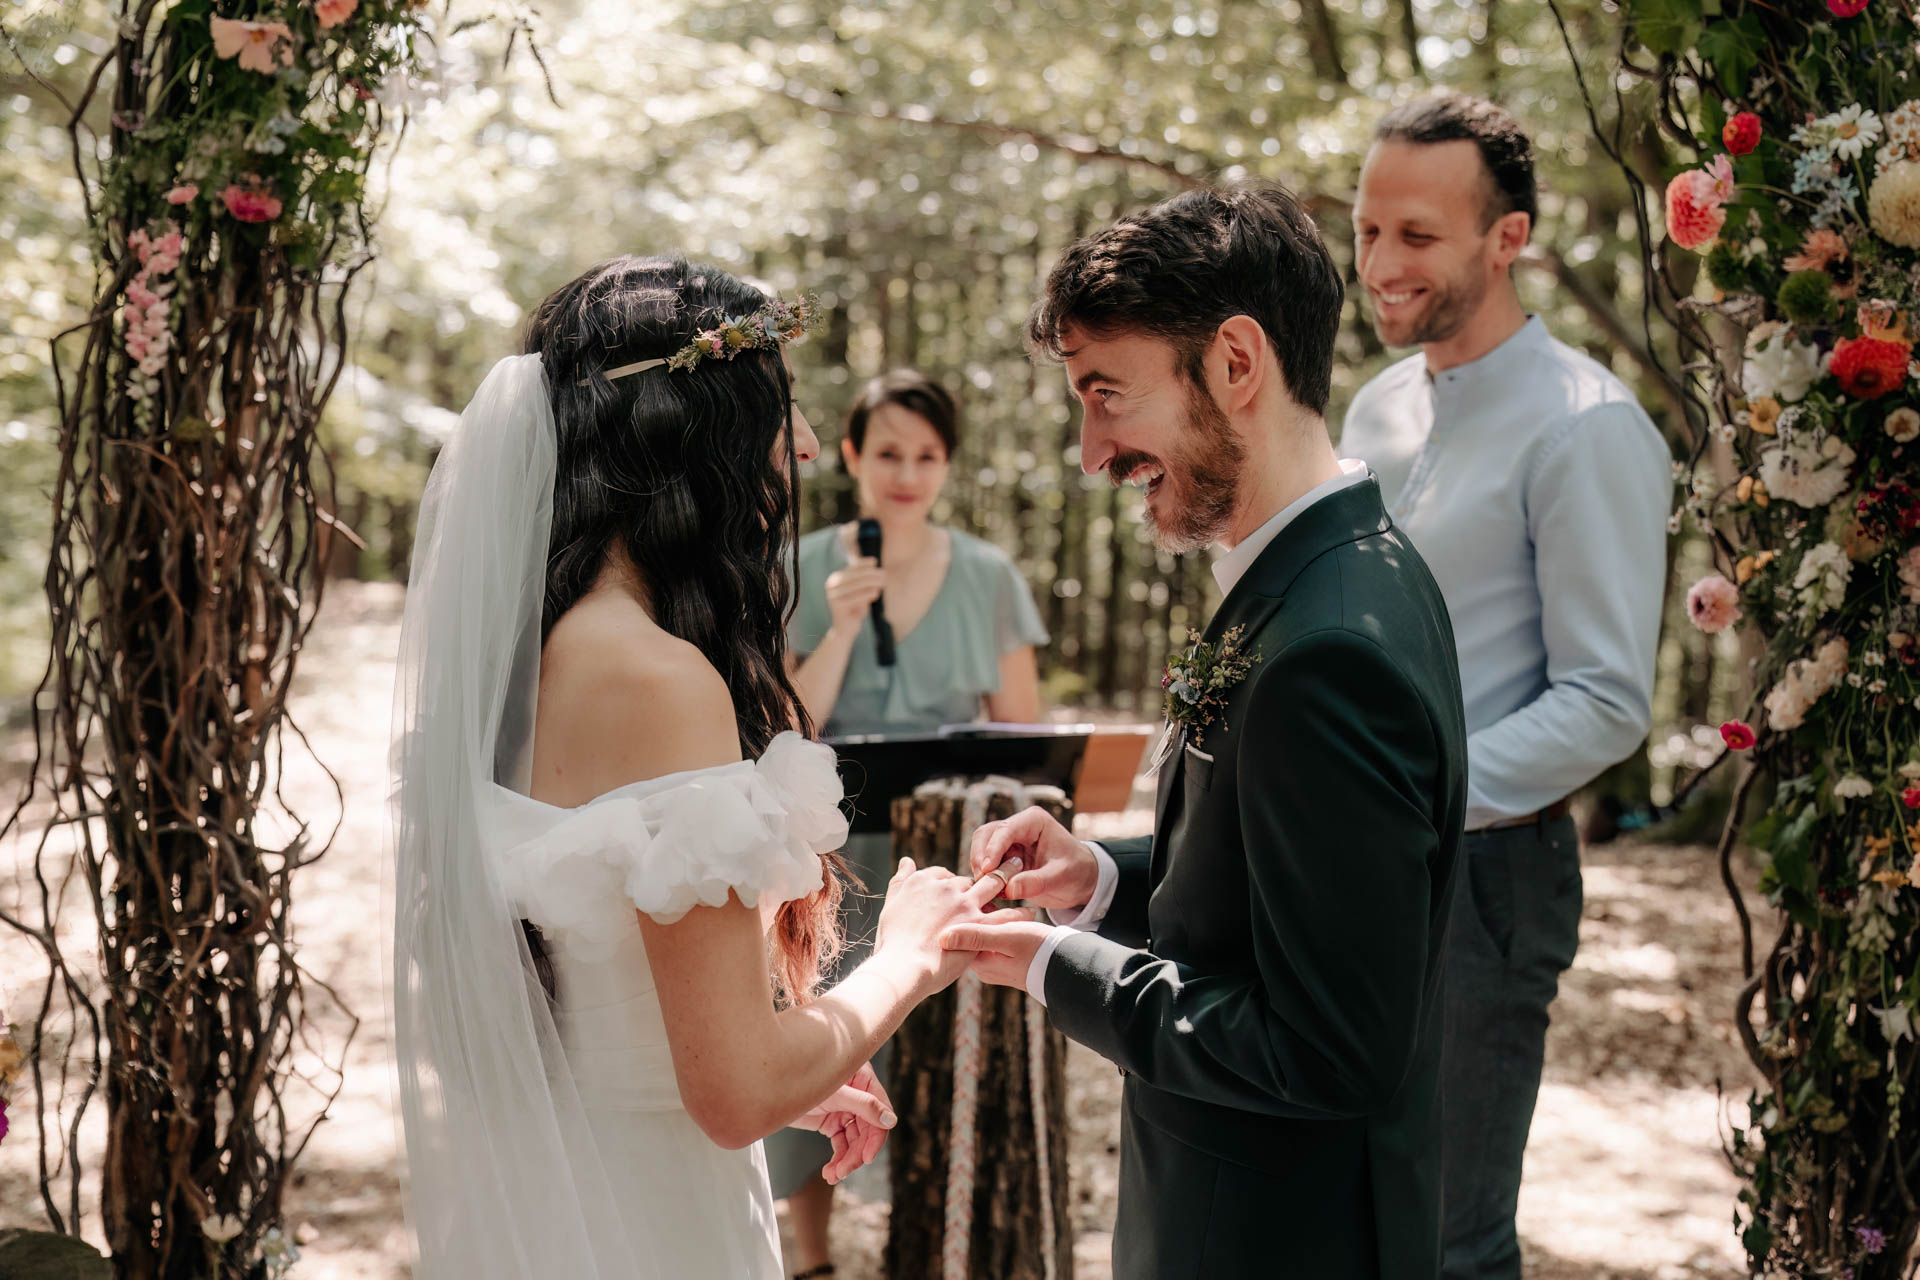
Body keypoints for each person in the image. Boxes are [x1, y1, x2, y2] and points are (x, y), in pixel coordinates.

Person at [390, 256, 1024, 1280]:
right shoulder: (657, 678)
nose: (806, 444)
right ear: (696, 430)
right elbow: (736, 1094)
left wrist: (800, 1069)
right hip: (650, 1215)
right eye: (777, 408)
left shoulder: (538, 653)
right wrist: (907, 955)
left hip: (570, 1178)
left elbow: (606, 998)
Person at [946, 185, 1469, 1277]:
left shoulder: (1332, 648)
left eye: (1106, 393)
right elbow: (1277, 879)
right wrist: (1102, 875)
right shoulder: (1329, 575)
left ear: (1236, 362)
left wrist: (1060, 967)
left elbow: (1328, 1050)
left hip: (1279, 1239)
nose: (1091, 452)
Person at [1339, 94, 1670, 1278]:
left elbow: (1607, 698)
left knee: (1449, 1236)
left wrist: (1418, 795)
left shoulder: (1588, 426)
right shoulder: (1374, 408)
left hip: (1483, 878)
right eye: (1367, 229)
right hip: (1343, 855)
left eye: (1416, 235)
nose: (1380, 261)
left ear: (1507, 238)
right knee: (1346, 1216)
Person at [775, 368, 1049, 1279]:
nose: (906, 474)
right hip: (824, 858)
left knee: (932, 1056)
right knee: (820, 1038)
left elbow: (1024, 738)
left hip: (945, 860)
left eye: (927, 457)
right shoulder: (796, 565)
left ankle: (931, 1240)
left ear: (947, 466)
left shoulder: (989, 575)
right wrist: (843, 627)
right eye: (888, 452)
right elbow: (781, 732)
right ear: (851, 455)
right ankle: (813, 1258)